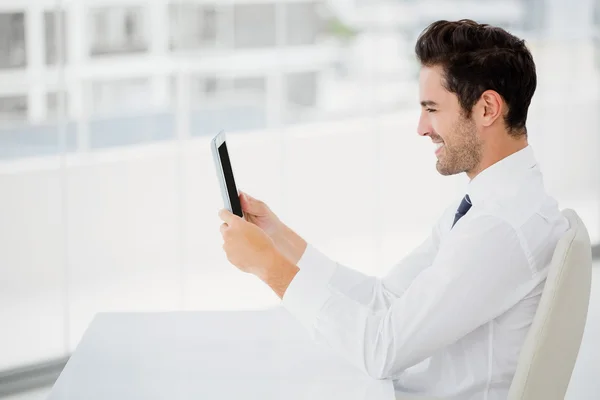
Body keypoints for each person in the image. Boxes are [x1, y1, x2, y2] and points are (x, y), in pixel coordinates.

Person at [217, 19, 569, 400]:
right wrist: (278, 238)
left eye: (432, 109)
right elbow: (385, 299)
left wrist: (269, 268)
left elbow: (382, 351)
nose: (421, 128)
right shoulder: (488, 204)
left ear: (486, 108)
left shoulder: (500, 227)